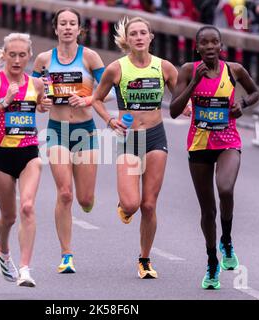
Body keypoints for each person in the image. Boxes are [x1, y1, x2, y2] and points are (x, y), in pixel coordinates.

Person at [170, 26, 259, 289]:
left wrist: (241, 104)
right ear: (197, 47)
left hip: (228, 140)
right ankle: (212, 261)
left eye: (215, 42)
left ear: (221, 46)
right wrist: (195, 84)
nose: (210, 47)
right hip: (199, 144)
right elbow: (175, 110)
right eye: (204, 43)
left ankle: (227, 240)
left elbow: (254, 93)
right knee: (208, 211)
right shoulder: (188, 70)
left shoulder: (234, 70)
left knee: (226, 188)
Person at [92, 16, 178, 279]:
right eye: (134, 34)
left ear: (151, 37)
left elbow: (181, 96)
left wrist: (187, 107)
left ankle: (144, 259)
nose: (139, 37)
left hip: (155, 137)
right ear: (127, 40)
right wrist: (109, 120)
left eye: (143, 33)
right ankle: (125, 207)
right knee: (132, 204)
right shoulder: (116, 69)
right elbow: (95, 99)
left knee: (149, 205)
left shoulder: (164, 68)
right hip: (128, 139)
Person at [32, 8, 108, 274]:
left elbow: (108, 91)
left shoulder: (90, 57)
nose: (67, 28)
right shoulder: (43, 59)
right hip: (57, 131)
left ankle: (88, 201)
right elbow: (32, 97)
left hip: (85, 131)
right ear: (55, 29)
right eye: (62, 23)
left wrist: (88, 99)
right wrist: (42, 103)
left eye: (72, 23)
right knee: (65, 193)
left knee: (85, 199)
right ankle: (66, 254)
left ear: (79, 29)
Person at [0, 32, 52, 287]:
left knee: (28, 207)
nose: (17, 60)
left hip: (29, 153)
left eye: (22, 55)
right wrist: (4, 103)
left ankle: (26, 269)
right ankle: (4, 251)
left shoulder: (36, 84)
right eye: (12, 55)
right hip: (2, 156)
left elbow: (40, 104)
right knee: (8, 217)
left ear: (30, 56)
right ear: (4, 55)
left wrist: (43, 105)